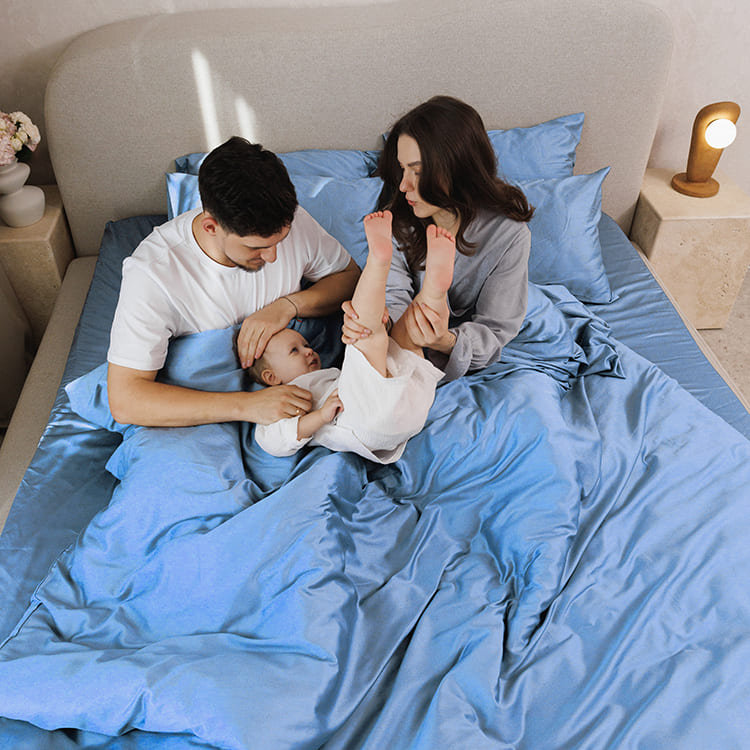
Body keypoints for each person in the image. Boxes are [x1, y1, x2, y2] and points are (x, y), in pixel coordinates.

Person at [107, 136, 360, 428]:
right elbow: (125, 400)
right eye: (256, 247)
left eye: (281, 240)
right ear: (211, 227)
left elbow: (349, 276)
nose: (273, 257)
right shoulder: (153, 274)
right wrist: (248, 405)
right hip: (219, 409)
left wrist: (288, 306)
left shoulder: (288, 219)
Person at [342, 95, 534, 381]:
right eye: (402, 169)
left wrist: (445, 340)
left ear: (459, 168)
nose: (404, 185)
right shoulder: (398, 218)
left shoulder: (508, 235)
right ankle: (423, 293)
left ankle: (432, 293)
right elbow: (394, 297)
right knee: (374, 334)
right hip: (404, 336)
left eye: (418, 172)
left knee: (392, 366)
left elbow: (496, 328)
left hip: (455, 343)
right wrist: (373, 321)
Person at [251, 210, 448, 463]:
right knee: (364, 334)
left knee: (409, 333)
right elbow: (272, 442)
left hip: (407, 408)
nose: (309, 350)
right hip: (362, 421)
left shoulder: (325, 377)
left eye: (305, 344)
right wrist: (320, 417)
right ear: (271, 377)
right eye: (294, 351)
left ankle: (434, 290)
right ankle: (378, 262)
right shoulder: (279, 401)